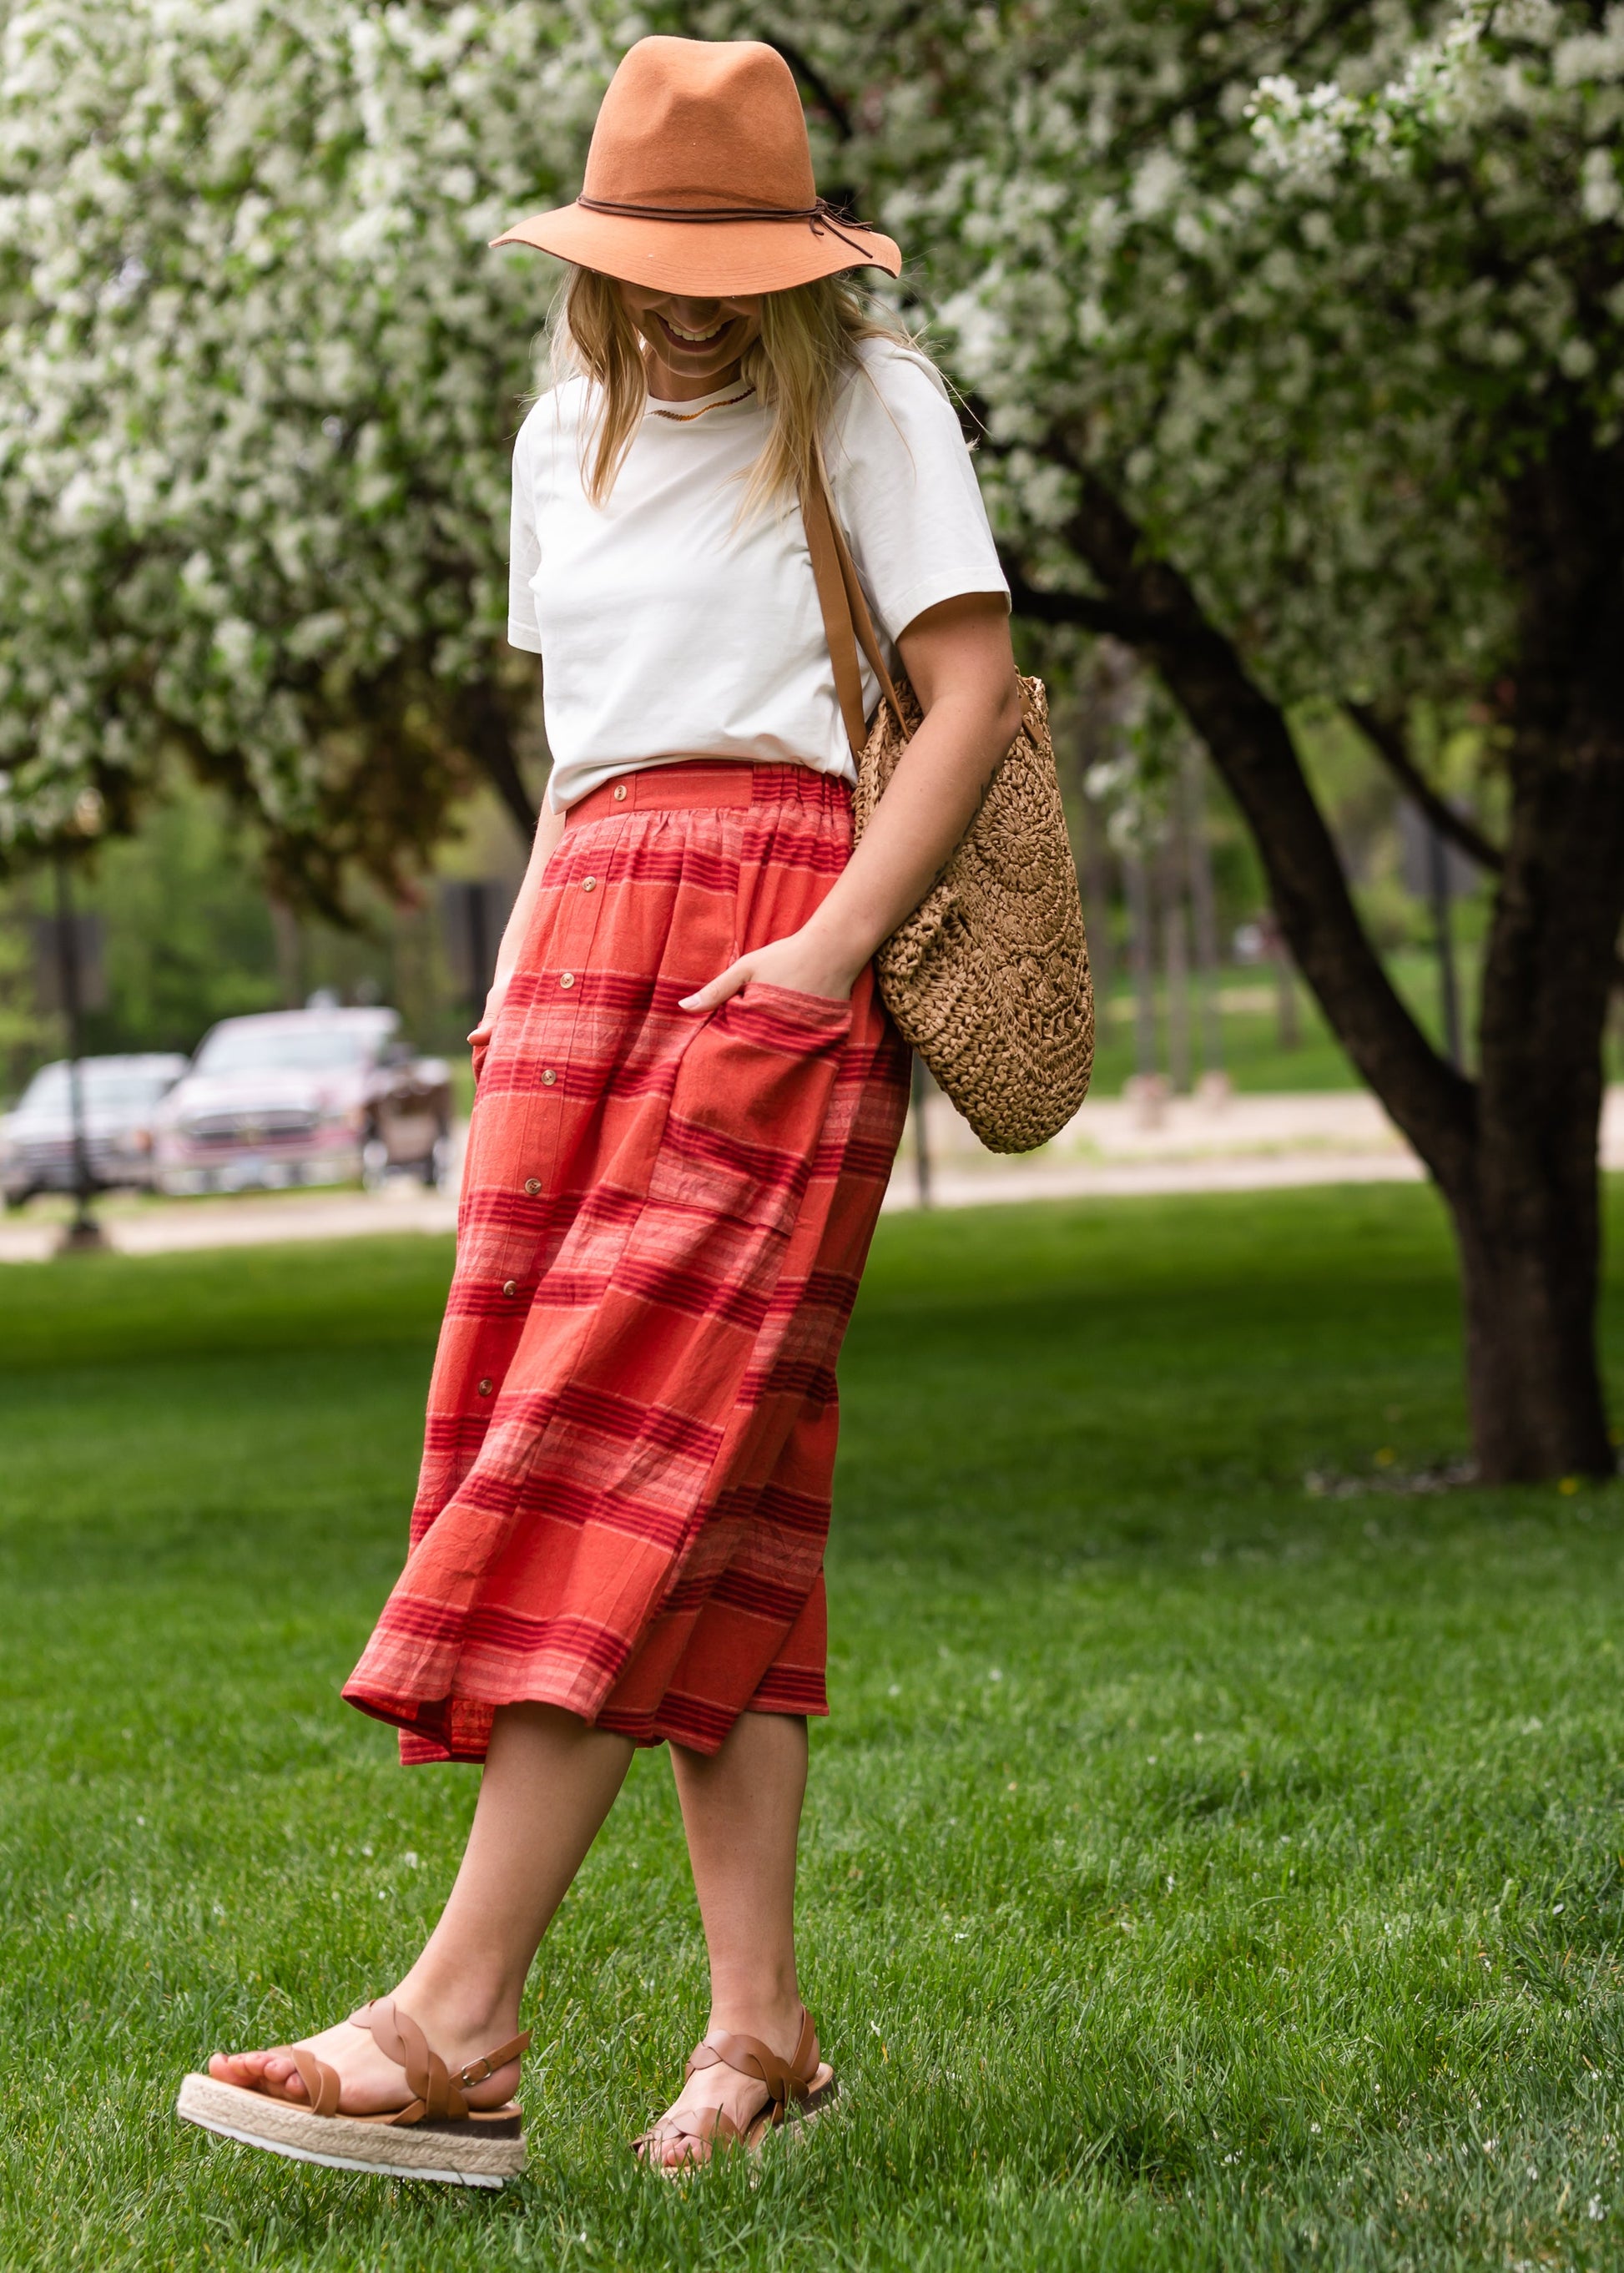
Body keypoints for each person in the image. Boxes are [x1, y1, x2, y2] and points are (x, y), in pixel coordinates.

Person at [178, 33, 1018, 2183]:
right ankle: (762, 2035)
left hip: (775, 934)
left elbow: (971, 695)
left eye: (719, 261)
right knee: (698, 1482)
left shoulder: (880, 406)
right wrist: (513, 975)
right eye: (645, 254)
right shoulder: (568, 428)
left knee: (604, 1457)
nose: (676, 295)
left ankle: (456, 2022)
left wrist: (832, 951)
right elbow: (583, 742)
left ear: (796, 262)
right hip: (578, 959)